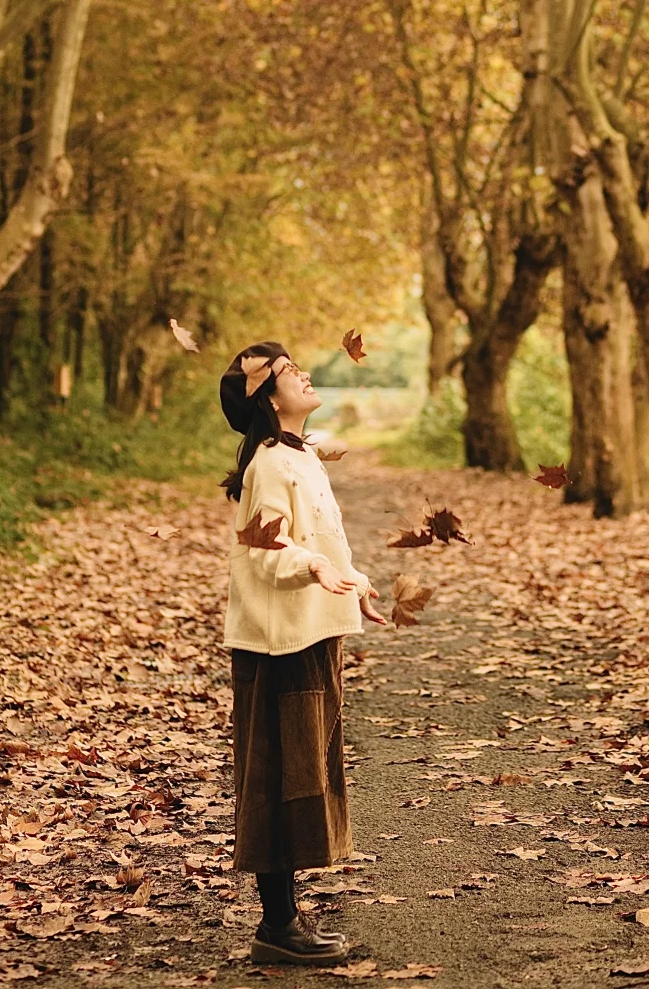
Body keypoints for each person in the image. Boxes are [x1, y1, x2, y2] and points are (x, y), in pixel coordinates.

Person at [219, 341, 387, 966]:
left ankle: (284, 919)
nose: (305, 373)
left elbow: (314, 538)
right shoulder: (269, 463)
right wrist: (312, 564)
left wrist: (354, 580)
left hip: (310, 633)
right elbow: (267, 549)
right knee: (280, 776)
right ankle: (277, 925)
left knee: (302, 772)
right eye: (290, 372)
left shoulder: (301, 456)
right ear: (267, 397)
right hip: (279, 641)